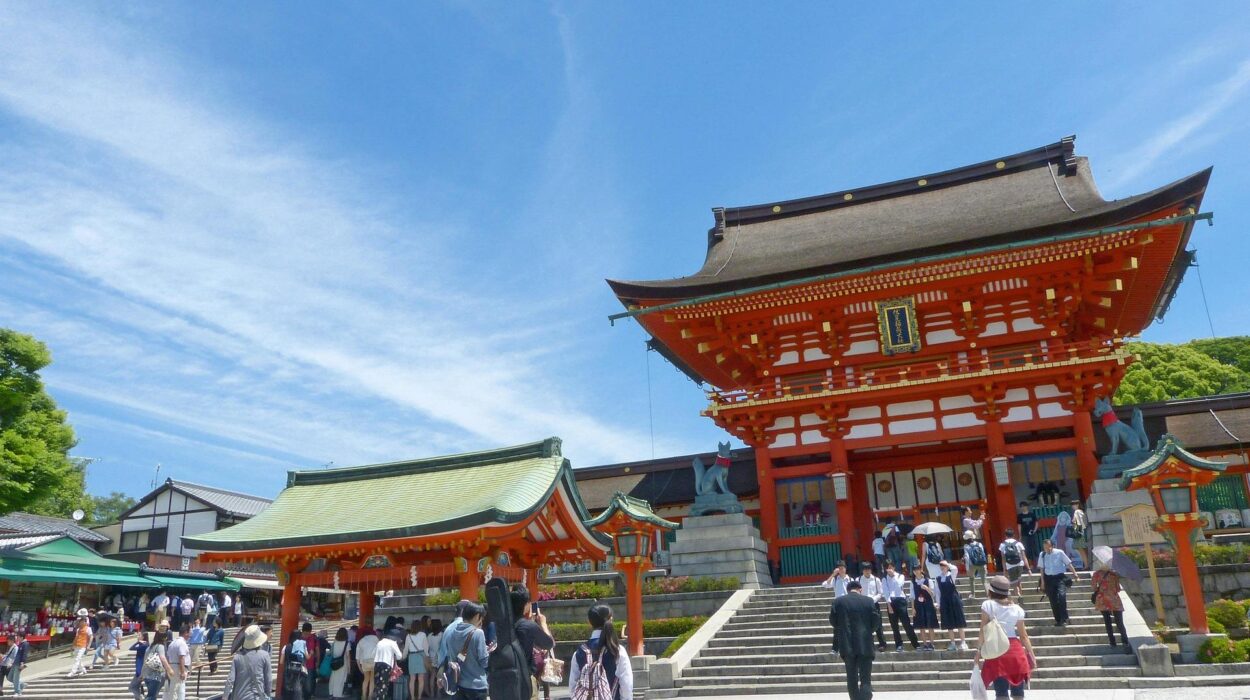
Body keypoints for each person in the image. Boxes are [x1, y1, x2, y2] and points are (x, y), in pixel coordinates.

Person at [975, 576, 1037, 699]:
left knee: (1001, 693)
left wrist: (978, 652)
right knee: (1018, 693)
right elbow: (1023, 636)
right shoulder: (1017, 609)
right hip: (1016, 652)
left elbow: (982, 630)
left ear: (991, 591)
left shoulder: (987, 605)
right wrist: (1032, 655)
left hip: (997, 649)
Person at [568, 604, 631, 700]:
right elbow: (626, 684)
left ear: (589, 622)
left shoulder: (579, 652)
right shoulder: (617, 650)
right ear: (611, 620)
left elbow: (573, 686)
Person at [829, 580, 878, 700]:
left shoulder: (838, 601)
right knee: (865, 678)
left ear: (847, 589)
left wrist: (842, 628)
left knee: (851, 677)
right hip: (865, 643)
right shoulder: (868, 601)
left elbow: (833, 621)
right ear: (860, 589)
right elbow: (876, 622)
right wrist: (867, 631)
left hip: (847, 644)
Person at [509, 586, 553, 699]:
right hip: (525, 678)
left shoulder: (502, 625)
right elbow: (549, 643)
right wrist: (543, 623)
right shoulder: (528, 625)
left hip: (506, 679)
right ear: (526, 604)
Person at [443, 602, 490, 700]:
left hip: (458, 685)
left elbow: (452, 659)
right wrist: (489, 653)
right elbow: (484, 662)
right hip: (477, 686)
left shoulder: (451, 633)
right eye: (482, 618)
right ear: (477, 616)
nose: (482, 621)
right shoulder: (478, 633)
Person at [1091, 559, 1131, 651]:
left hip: (1102, 600)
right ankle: (1125, 641)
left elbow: (1093, 587)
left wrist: (1100, 589)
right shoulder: (1114, 574)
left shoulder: (1096, 574)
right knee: (1119, 622)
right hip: (1114, 600)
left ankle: (1112, 642)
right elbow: (1118, 589)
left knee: (1107, 621)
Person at [223, 625, 271, 700]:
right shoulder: (265, 655)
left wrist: (225, 697)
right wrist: (268, 695)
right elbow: (268, 679)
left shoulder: (237, 657)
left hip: (238, 697)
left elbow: (230, 680)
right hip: (256, 697)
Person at [1037, 538, 1078, 626]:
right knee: (1053, 600)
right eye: (1045, 548)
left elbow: (1068, 563)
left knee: (1062, 596)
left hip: (1060, 578)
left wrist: (1075, 574)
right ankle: (1058, 620)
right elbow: (1041, 569)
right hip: (1049, 579)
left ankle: (1064, 618)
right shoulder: (1042, 555)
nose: (1047, 549)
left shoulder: (1059, 552)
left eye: (1048, 547)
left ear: (1052, 546)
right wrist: (1043, 582)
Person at [880, 562, 918, 652]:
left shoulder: (900, 576)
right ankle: (899, 644)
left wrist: (893, 575)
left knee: (906, 623)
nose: (889, 569)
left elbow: (898, 585)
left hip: (900, 600)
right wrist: (889, 604)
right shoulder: (884, 579)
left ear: (894, 567)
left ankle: (915, 643)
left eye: (891, 567)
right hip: (891, 601)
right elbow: (885, 592)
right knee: (894, 626)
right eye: (888, 567)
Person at [936, 560, 969, 650]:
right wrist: (938, 604)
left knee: (959, 621)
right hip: (944, 601)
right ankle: (953, 643)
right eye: (941, 566)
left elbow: (955, 569)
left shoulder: (951, 575)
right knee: (948, 623)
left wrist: (948, 564)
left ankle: (963, 642)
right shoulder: (938, 578)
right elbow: (937, 592)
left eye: (944, 565)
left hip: (954, 599)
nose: (942, 567)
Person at [856, 562, 888, 651]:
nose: (867, 571)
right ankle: (868, 644)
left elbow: (880, 593)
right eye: (865, 569)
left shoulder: (876, 579)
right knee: (864, 626)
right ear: (862, 570)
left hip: (874, 604)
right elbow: (856, 591)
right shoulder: (858, 579)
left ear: (871, 570)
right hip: (862, 605)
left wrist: (873, 600)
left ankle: (882, 644)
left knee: (878, 624)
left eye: (868, 569)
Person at [371, 627, 403, 700]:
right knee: (384, 686)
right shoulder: (392, 643)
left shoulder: (380, 642)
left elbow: (373, 654)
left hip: (377, 664)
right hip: (386, 665)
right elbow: (399, 656)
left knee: (377, 685)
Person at [911, 567, 938, 651]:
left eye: (917, 570)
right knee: (921, 626)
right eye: (914, 570)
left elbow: (933, 594)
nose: (916, 572)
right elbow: (912, 597)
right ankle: (925, 644)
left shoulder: (928, 580)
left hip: (928, 604)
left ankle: (932, 644)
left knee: (930, 625)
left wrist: (926, 588)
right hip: (918, 605)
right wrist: (913, 608)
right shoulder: (913, 582)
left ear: (921, 570)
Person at [998, 529, 1031, 597]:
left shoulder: (1002, 545)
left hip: (1010, 566)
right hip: (1020, 564)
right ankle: (1021, 595)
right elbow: (1024, 556)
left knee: (1014, 583)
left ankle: (1018, 596)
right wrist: (1028, 569)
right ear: (1013, 535)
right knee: (1018, 581)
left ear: (1005, 536)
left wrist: (1004, 569)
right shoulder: (1019, 543)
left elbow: (1003, 558)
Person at [144, 630, 174, 700]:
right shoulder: (160, 646)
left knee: (152, 694)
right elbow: (163, 658)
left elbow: (145, 660)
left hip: (147, 675)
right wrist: (169, 669)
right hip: (156, 675)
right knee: (151, 696)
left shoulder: (149, 647)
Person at [280, 630, 308, 700]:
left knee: (287, 692)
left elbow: (281, 661)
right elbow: (306, 658)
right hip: (299, 673)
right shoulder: (303, 646)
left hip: (288, 672)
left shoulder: (285, 647)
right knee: (298, 691)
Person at [165, 623, 191, 700]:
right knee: (179, 689)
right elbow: (181, 657)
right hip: (179, 667)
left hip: (172, 666)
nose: (190, 635)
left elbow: (168, 657)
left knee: (174, 688)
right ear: (186, 632)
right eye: (189, 632)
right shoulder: (182, 643)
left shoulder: (172, 643)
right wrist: (182, 671)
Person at [963, 530, 989, 597]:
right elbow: (982, 554)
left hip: (972, 565)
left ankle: (973, 594)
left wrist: (967, 568)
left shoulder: (966, 546)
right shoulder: (979, 544)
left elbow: (967, 557)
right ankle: (988, 595)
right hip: (981, 564)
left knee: (971, 579)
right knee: (984, 581)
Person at [328, 628, 352, 699]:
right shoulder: (347, 643)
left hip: (335, 662)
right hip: (343, 664)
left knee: (333, 678)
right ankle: (338, 694)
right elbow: (348, 656)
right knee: (341, 679)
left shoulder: (335, 642)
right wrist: (349, 667)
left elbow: (331, 652)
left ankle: (331, 693)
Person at [355, 627, 378, 700]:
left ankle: (363, 695)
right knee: (372, 680)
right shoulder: (376, 638)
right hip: (374, 661)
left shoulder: (361, 641)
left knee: (366, 679)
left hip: (365, 662)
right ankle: (370, 696)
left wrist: (359, 668)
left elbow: (357, 657)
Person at [67, 612, 92, 677]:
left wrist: (88, 645)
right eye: (80, 621)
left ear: (85, 622)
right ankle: (83, 670)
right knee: (78, 659)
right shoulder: (78, 629)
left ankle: (73, 672)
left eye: (82, 621)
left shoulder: (88, 628)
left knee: (77, 659)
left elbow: (91, 637)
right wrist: (72, 646)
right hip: (76, 646)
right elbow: (76, 637)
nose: (80, 623)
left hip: (83, 646)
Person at [127, 632, 150, 700]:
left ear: (143, 637)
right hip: (141, 669)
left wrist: (138, 642)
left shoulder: (144, 645)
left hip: (140, 670)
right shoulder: (146, 644)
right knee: (136, 687)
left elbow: (131, 648)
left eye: (139, 635)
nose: (138, 636)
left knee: (132, 687)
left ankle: (141, 697)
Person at [424, 619, 443, 699]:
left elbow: (427, 647)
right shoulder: (442, 634)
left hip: (431, 655)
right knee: (439, 676)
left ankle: (431, 693)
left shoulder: (429, 635)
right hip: (439, 656)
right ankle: (438, 693)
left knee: (432, 676)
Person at [300, 622, 319, 699]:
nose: (306, 635)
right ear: (302, 631)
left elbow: (317, 651)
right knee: (300, 685)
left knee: (308, 685)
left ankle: (308, 697)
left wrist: (318, 661)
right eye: (305, 633)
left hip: (310, 665)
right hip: (300, 665)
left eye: (308, 633)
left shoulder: (314, 638)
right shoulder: (298, 638)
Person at [1069, 500, 1090, 568]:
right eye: (1072, 504)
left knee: (1081, 550)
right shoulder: (1082, 511)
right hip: (1082, 532)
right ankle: (1087, 564)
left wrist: (1073, 523)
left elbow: (1077, 522)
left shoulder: (1077, 511)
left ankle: (1086, 565)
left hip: (1079, 532)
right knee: (1083, 549)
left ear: (1077, 504)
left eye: (1074, 504)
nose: (1072, 506)